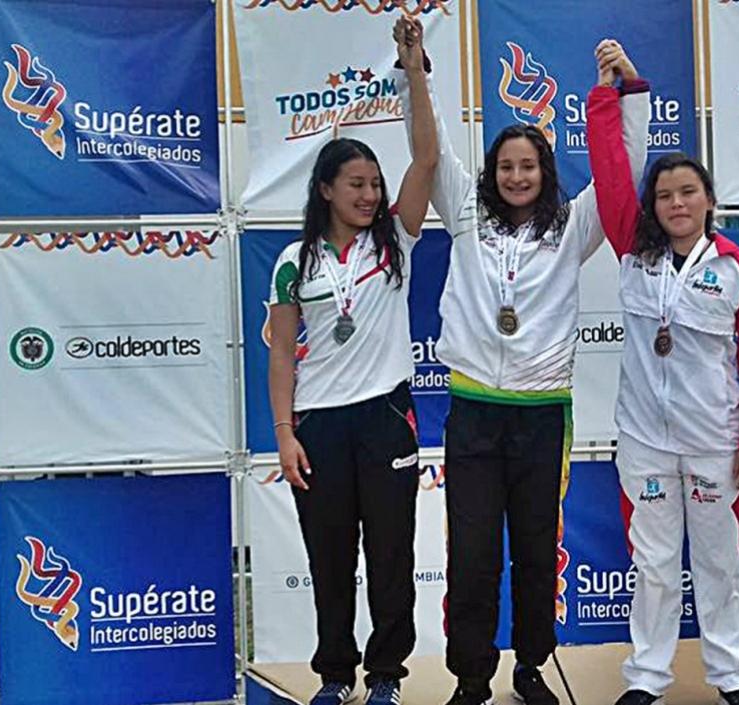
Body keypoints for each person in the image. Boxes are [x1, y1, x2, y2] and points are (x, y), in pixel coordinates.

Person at [398, 28, 652, 705]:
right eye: (506, 165)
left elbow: (622, 172)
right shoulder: (464, 216)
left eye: (528, 166)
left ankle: (533, 667)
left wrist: (626, 91)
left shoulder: (572, 227)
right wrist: (414, 75)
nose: (516, 176)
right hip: (475, 413)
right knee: (474, 554)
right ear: (491, 172)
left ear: (545, 172)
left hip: (543, 418)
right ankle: (472, 676)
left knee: (538, 551)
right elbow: (429, 148)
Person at [588, 46, 739, 705]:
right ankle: (646, 678)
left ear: (708, 199)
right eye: (665, 194)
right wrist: (610, 93)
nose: (675, 201)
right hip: (645, 440)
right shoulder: (632, 254)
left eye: (687, 191)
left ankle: (732, 677)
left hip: (714, 445)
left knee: (719, 565)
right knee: (654, 566)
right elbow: (613, 174)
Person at [266, 19, 437, 705]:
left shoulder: (395, 239)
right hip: (319, 427)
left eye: (374, 183)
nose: (370, 194)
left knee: (391, 557)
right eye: (357, 184)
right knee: (330, 559)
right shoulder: (291, 263)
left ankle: (387, 677)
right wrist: (284, 434)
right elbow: (282, 353)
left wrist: (413, 69)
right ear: (327, 189)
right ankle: (335, 677)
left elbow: (423, 160)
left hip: (385, 418)